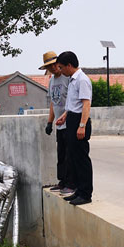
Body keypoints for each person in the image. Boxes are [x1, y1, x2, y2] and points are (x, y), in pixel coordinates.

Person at [55, 51, 93, 206]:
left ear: (69, 65)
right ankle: (78, 190)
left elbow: (86, 104)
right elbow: (73, 103)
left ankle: (86, 193)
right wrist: (65, 115)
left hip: (79, 120)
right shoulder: (72, 80)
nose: (60, 70)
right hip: (72, 118)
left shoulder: (82, 80)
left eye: (61, 67)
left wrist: (82, 125)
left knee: (81, 158)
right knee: (73, 157)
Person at [39, 51, 74, 195]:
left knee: (69, 155)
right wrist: (49, 122)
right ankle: (63, 182)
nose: (53, 68)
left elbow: (73, 101)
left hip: (69, 122)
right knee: (61, 154)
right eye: (49, 66)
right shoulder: (52, 81)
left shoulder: (68, 79)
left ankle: (71, 183)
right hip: (59, 124)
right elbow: (53, 103)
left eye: (54, 65)